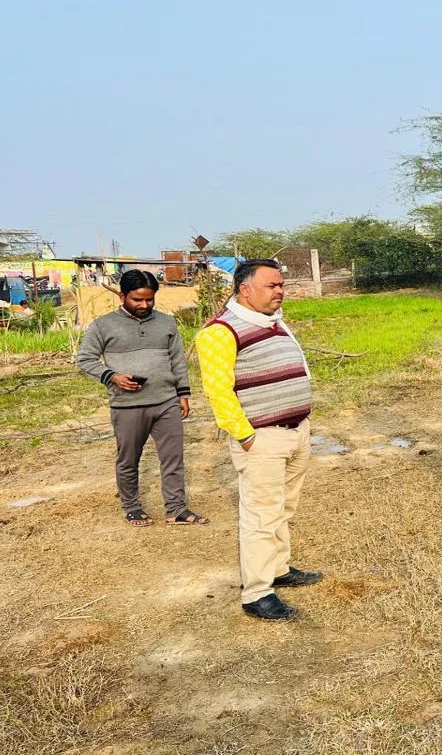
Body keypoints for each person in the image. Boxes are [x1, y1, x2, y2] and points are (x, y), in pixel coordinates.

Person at [197, 259, 322, 622]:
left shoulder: (273, 322)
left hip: (295, 431)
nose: (280, 291)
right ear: (244, 289)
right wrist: (246, 437)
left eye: (281, 284)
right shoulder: (221, 331)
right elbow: (218, 391)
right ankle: (257, 593)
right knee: (260, 515)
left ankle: (279, 569)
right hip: (262, 439)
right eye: (271, 285)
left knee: (283, 507)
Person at [76, 270, 206, 529]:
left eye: (150, 300)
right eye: (137, 300)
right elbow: (85, 360)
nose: (144, 305)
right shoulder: (102, 326)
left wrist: (183, 393)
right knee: (128, 460)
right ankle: (132, 507)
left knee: (173, 459)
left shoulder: (167, 323)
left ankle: (176, 509)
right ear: (122, 296)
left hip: (166, 401)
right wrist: (112, 377)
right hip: (127, 405)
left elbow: (177, 360)